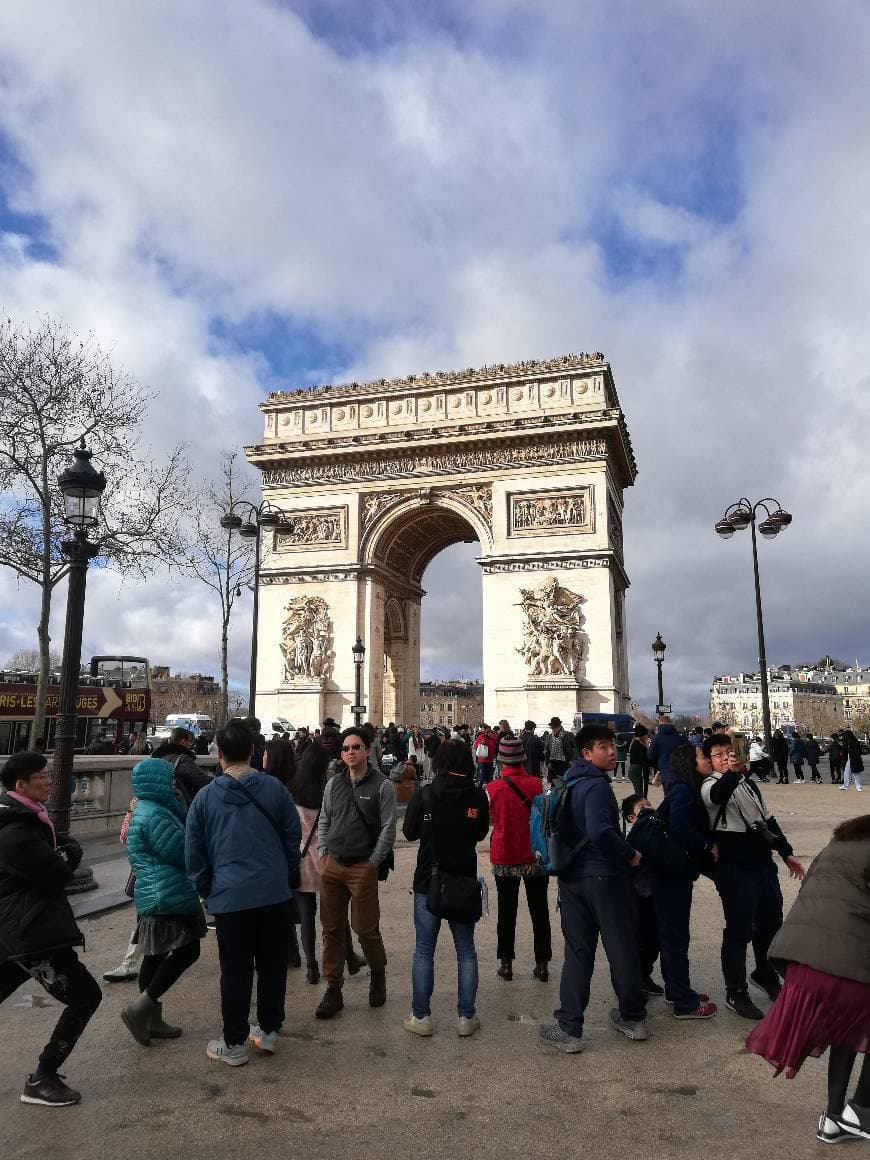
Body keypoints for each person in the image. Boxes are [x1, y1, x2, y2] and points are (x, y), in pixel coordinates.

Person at [746, 813, 870, 1145]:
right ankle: (862, 1108)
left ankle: (833, 1118)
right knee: (857, 1007)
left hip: (802, 964)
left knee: (850, 1026)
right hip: (841, 965)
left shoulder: (839, 843)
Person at [185, 720, 301, 1065]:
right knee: (272, 966)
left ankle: (234, 1042)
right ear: (253, 751)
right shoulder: (276, 790)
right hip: (273, 893)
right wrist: (283, 874)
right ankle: (269, 1031)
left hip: (230, 897)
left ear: (218, 754)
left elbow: (194, 853)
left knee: (234, 971)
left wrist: (209, 890)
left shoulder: (205, 797)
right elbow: (292, 837)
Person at [0, 751, 102, 1107]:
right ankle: (42, 1077)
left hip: (18, 928)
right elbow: (56, 875)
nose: (49, 781)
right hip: (32, 931)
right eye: (42, 776)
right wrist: (69, 855)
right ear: (21, 785)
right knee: (86, 996)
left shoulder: (26, 822)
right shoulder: (16, 833)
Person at [539, 725, 647, 1053]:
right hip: (604, 878)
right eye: (604, 747)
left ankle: (570, 1028)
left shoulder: (571, 783)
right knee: (621, 948)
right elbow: (601, 831)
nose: (613, 752)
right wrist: (630, 855)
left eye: (613, 746)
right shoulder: (597, 787)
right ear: (587, 753)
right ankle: (632, 1017)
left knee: (577, 952)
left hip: (572, 878)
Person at [700, 733, 805, 1020]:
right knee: (738, 929)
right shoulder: (709, 786)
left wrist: (786, 852)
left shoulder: (748, 785)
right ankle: (735, 990)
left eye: (729, 752)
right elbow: (717, 797)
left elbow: (768, 820)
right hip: (734, 866)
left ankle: (765, 973)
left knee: (771, 922)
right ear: (709, 761)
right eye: (719, 755)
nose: (725, 758)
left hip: (761, 862)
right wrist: (732, 773)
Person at [402, 739, 489, 1037]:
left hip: (429, 880)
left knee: (424, 950)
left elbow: (409, 832)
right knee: (465, 950)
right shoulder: (477, 797)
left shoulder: (425, 794)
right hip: (463, 880)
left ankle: (421, 1017)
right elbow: (479, 834)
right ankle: (466, 1017)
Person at [120, 758, 205, 1046]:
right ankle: (141, 1009)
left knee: (155, 955)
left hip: (155, 891)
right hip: (167, 892)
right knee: (188, 950)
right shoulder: (155, 815)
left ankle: (150, 1017)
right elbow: (182, 852)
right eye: (168, 779)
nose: (173, 784)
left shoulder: (146, 810)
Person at [315, 727, 397, 1019]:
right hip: (333, 864)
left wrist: (373, 862)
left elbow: (389, 827)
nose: (351, 751)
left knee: (365, 929)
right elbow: (324, 819)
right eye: (346, 748)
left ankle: (377, 972)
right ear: (342, 753)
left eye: (356, 747)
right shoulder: (333, 784)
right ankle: (333, 988)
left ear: (367, 751)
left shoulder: (383, 785)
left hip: (363, 865)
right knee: (331, 930)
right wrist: (323, 854)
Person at [651, 745, 719, 1019]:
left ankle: (675, 989)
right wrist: (706, 845)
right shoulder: (682, 790)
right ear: (690, 763)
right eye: (703, 757)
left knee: (672, 935)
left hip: (668, 870)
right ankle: (684, 1001)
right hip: (672, 872)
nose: (707, 760)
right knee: (676, 936)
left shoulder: (679, 786)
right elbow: (679, 827)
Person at [485, 736, 552, 983]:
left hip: (506, 853)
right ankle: (542, 963)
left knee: (507, 911)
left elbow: (490, 820)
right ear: (523, 758)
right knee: (539, 911)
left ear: (500, 760)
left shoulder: (493, 788)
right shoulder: (536, 784)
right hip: (534, 854)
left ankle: (506, 964)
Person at [620, 794, 662, 997]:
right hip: (638, 896)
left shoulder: (655, 829)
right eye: (642, 808)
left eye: (649, 804)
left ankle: (645, 976)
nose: (648, 808)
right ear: (631, 818)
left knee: (654, 941)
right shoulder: (631, 837)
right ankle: (636, 981)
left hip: (653, 892)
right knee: (640, 940)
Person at [151, 727, 213, 810]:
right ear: (183, 741)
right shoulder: (183, 759)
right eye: (190, 742)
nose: (191, 745)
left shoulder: (159, 756)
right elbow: (201, 780)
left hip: (160, 801)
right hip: (180, 804)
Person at [647, 716, 687, 789]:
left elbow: (650, 756)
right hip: (681, 770)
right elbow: (689, 751)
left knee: (669, 793)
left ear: (660, 724)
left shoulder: (656, 738)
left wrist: (657, 766)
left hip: (665, 770)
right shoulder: (681, 736)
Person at [541, 716, 577, 782]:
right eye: (552, 727)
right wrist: (547, 763)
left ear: (560, 726)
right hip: (553, 765)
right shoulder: (549, 737)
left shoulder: (569, 735)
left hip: (566, 764)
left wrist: (572, 761)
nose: (554, 729)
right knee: (554, 785)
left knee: (566, 783)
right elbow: (546, 751)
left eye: (556, 727)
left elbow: (576, 748)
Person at [627, 724, 651, 798]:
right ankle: (640, 807)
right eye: (646, 734)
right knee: (639, 793)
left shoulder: (636, 742)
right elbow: (644, 759)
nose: (647, 736)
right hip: (637, 770)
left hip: (634, 770)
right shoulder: (639, 745)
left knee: (639, 792)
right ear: (642, 735)